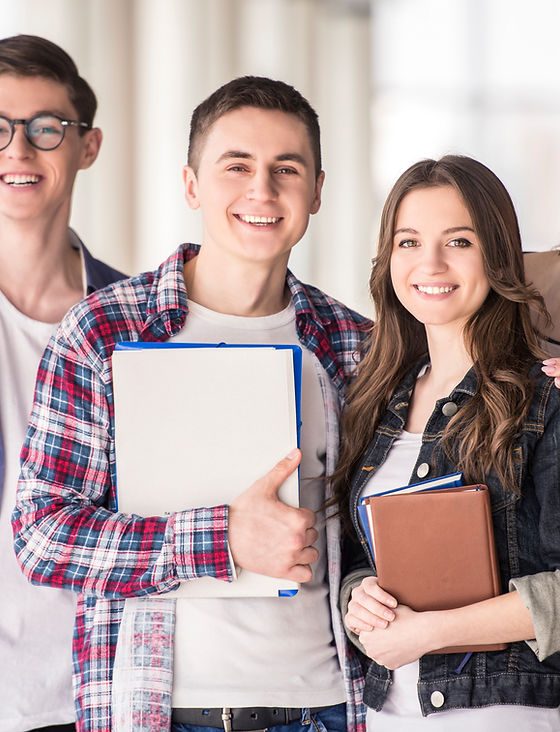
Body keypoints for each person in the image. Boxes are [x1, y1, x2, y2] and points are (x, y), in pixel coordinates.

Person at [13, 77, 371, 732]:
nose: (262, 190)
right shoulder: (103, 334)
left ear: (317, 190)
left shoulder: (355, 345)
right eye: (236, 166)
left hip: (325, 708)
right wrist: (221, 537)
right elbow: (43, 537)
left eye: (286, 169)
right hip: (160, 712)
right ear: (191, 184)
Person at [338, 155, 560, 731]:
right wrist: (358, 599)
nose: (429, 263)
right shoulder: (375, 401)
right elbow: (363, 560)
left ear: (497, 254)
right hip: (391, 714)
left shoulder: (545, 399)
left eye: (458, 241)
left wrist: (433, 632)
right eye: (408, 242)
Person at [0, 34, 125, 732]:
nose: (19, 150)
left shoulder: (139, 326)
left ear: (87, 145)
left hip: (95, 693)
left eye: (46, 128)